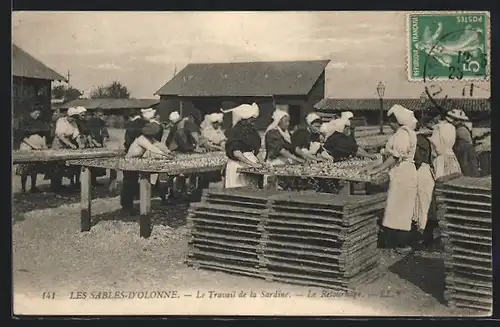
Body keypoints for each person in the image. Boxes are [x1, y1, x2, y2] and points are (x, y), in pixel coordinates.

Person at [362, 104, 419, 254]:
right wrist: (372, 166)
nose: (390, 126)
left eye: (391, 123)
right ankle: (396, 241)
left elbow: (395, 156)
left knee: (400, 207)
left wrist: (378, 169)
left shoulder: (403, 134)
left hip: (403, 173)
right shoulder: (403, 133)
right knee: (396, 207)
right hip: (401, 172)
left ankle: (402, 243)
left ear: (396, 121)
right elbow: (388, 155)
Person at [222, 103, 265, 188]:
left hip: (250, 166)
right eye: (251, 119)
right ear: (244, 119)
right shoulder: (236, 131)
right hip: (238, 165)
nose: (253, 122)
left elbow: (256, 150)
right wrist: (252, 164)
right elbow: (237, 153)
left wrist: (262, 162)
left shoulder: (252, 132)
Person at [46, 107, 85, 191]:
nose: (73, 119)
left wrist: (79, 144)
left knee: (65, 165)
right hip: (58, 144)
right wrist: (70, 144)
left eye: (74, 117)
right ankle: (55, 186)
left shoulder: (74, 123)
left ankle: (67, 184)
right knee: (56, 165)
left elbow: (76, 135)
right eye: (72, 117)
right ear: (68, 115)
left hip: (67, 144)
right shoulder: (61, 121)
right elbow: (60, 136)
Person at [15, 106, 51, 193]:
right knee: (25, 168)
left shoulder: (40, 123)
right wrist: (33, 145)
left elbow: (43, 135)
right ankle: (23, 188)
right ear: (31, 112)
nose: (37, 115)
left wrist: (44, 145)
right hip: (27, 146)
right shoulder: (24, 122)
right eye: (36, 113)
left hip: (38, 147)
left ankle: (33, 186)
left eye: (39, 113)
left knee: (34, 168)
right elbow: (23, 137)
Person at [120, 109, 147, 214]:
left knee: (128, 180)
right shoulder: (145, 123)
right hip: (142, 153)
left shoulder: (130, 125)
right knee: (139, 179)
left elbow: (127, 141)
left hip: (131, 155)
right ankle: (141, 204)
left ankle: (126, 206)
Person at [414, 120, 436, 249]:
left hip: (420, 173)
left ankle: (422, 238)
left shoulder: (415, 140)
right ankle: (429, 237)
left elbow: (417, 159)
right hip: (428, 172)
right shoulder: (427, 140)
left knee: (421, 206)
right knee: (428, 205)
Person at [427, 110, 462, 179]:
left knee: (441, 178)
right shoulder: (453, 128)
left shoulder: (438, 127)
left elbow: (435, 144)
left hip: (441, 157)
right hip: (451, 156)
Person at [446, 109, 479, 177]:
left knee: (466, 168)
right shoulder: (463, 128)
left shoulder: (459, 129)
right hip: (467, 150)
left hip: (464, 151)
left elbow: (461, 145)